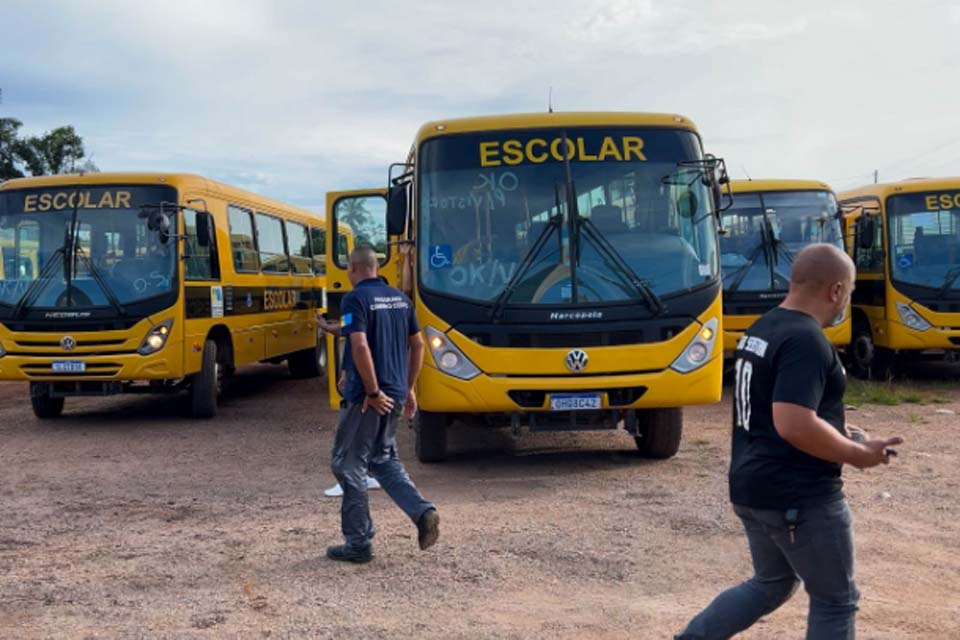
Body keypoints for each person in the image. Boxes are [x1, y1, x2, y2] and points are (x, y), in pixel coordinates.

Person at [676, 244, 903, 640]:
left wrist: (836, 429)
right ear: (836, 290)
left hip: (754, 486)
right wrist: (856, 455)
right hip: (798, 496)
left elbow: (774, 409)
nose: (846, 301)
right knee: (836, 600)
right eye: (849, 291)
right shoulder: (806, 340)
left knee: (772, 582)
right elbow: (793, 424)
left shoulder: (762, 328)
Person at [326, 245, 438, 563]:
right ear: (376, 267)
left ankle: (358, 543)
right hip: (395, 392)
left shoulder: (354, 299)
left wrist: (373, 392)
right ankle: (423, 512)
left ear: (353, 268)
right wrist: (408, 388)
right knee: (383, 459)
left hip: (368, 399)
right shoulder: (400, 299)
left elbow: (361, 345)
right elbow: (418, 345)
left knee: (348, 465)